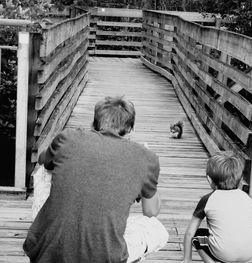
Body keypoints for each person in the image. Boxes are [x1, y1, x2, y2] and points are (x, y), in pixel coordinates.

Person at [23, 96, 169, 263]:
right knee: (156, 229)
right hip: (104, 257)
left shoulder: (68, 137)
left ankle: (46, 227)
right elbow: (150, 212)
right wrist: (149, 172)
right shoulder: (147, 158)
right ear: (130, 130)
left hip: (46, 252)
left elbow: (43, 161)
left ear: (93, 124)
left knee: (46, 169)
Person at [182, 151, 252, 263]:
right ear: (240, 178)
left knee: (197, 235)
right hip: (250, 251)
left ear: (209, 179)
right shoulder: (247, 198)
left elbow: (190, 232)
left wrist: (187, 259)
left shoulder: (208, 199)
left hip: (224, 253)